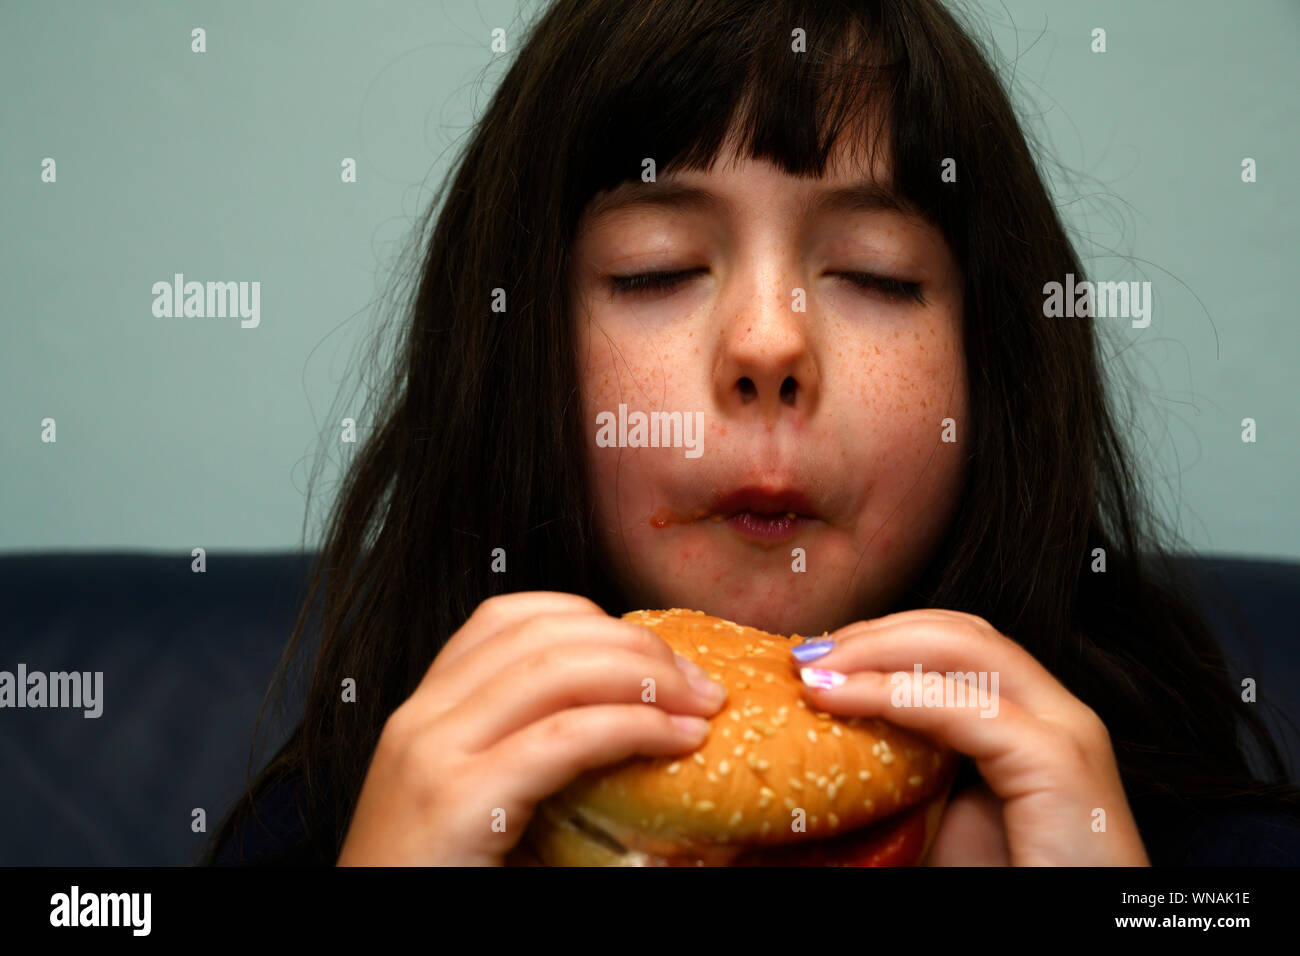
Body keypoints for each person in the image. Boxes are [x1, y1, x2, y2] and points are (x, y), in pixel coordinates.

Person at [202, 0, 1300, 867]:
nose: (769, 342)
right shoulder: (346, 822)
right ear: (516, 345)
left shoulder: (1184, 846)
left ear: (995, 366)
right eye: (657, 270)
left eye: (873, 273)